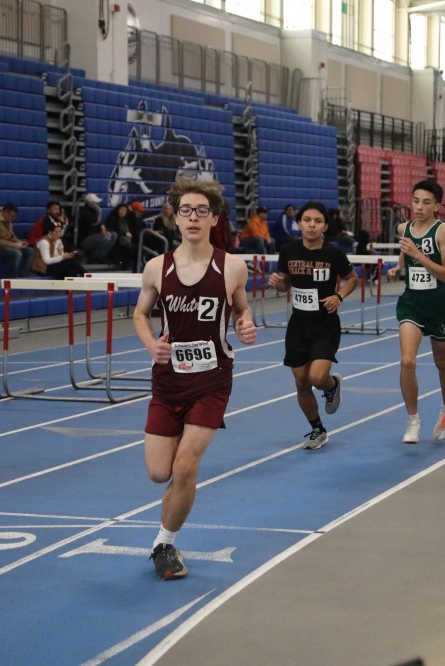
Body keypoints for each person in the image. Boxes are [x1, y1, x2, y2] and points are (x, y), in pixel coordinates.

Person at [133, 177, 257, 580]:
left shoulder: (232, 267)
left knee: (185, 466)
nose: (193, 217)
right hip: (168, 379)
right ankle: (170, 521)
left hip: (212, 379)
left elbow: (242, 309)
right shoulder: (157, 267)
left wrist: (245, 323)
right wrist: (151, 345)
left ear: (214, 218)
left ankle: (164, 543)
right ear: (175, 217)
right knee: (159, 473)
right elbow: (140, 314)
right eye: (185, 210)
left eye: (201, 211)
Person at [267, 201, 359, 449]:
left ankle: (332, 385)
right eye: (307, 220)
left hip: (324, 324)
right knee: (301, 382)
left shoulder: (333, 254)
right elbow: (285, 284)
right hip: (298, 324)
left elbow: (353, 279)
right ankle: (317, 429)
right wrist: (278, 283)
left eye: (317, 221)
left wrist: (338, 296)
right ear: (299, 223)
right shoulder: (289, 251)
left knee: (317, 377)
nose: (311, 225)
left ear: (325, 226)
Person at [385, 180, 445, 444]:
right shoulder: (404, 229)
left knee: (441, 362)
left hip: (437, 304)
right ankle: (412, 420)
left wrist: (420, 255)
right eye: (415, 201)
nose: (419, 207)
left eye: (426, 203)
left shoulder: (443, 232)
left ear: (436, 206)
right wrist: (398, 267)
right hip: (412, 302)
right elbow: (405, 254)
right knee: (407, 361)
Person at [0, 203, 34, 278]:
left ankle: (23, 276)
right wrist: (14, 245)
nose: (13, 219)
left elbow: (12, 237)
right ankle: (11, 278)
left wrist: (20, 242)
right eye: (12, 216)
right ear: (5, 213)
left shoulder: (8, 221)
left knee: (30, 251)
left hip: (6, 248)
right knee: (16, 253)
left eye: (15, 217)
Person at [76, 193, 118, 263]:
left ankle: (101, 255)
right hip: (85, 239)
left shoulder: (95, 212)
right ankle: (94, 257)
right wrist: (99, 211)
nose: (97, 204)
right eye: (95, 202)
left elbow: (99, 223)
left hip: (96, 236)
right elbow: (94, 220)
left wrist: (104, 229)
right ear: (90, 203)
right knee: (105, 238)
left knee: (113, 235)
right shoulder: (83, 211)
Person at [104, 203, 137, 270]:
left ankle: (133, 267)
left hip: (127, 240)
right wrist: (124, 233)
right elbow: (111, 231)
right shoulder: (112, 218)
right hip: (116, 240)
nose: (122, 212)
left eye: (125, 211)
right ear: (117, 209)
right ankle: (123, 266)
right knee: (127, 248)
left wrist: (132, 212)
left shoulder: (126, 220)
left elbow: (135, 223)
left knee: (136, 247)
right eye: (121, 209)